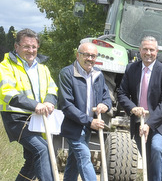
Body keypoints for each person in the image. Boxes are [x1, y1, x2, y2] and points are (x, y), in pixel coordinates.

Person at [0, 28, 58, 181]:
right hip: (16, 119)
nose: (31, 50)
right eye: (26, 46)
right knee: (42, 149)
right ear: (16, 46)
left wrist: (49, 102)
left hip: (37, 120)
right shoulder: (6, 66)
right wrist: (35, 105)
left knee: (32, 160)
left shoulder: (43, 68)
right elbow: (7, 93)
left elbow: (52, 88)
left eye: (34, 47)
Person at [117, 36, 162, 181]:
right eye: (145, 49)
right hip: (138, 122)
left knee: (156, 148)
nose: (148, 53)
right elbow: (122, 93)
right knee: (147, 156)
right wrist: (132, 108)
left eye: (152, 50)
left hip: (159, 123)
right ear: (139, 50)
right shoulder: (131, 69)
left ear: (157, 51)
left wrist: (149, 124)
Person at [58, 42, 111, 181]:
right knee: (84, 156)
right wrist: (90, 121)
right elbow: (66, 105)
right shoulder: (67, 73)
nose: (90, 58)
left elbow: (106, 96)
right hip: (73, 126)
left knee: (74, 162)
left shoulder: (98, 74)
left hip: (88, 126)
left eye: (93, 56)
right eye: (86, 55)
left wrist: (105, 105)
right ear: (78, 55)